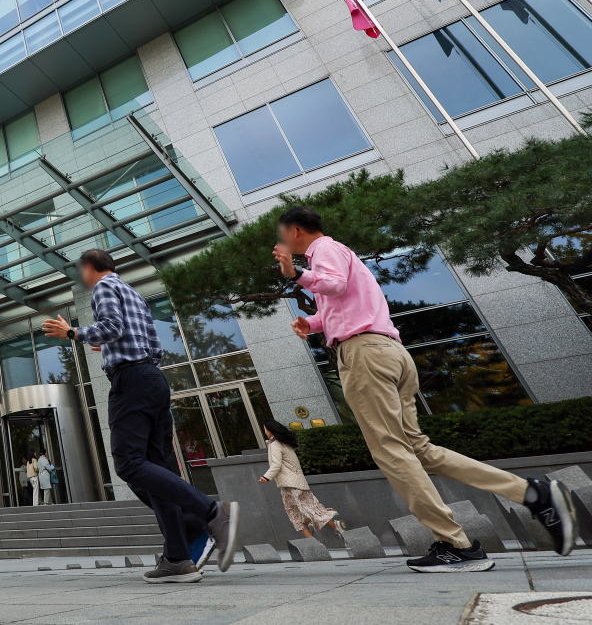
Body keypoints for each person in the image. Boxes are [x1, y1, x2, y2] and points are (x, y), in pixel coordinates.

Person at [274, 205, 577, 572]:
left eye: (282, 233)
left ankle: (457, 544)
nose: (281, 240)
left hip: (365, 356)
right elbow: (344, 301)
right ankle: (534, 493)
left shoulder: (322, 251)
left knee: (391, 451)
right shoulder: (342, 254)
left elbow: (333, 285)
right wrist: (313, 322)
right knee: (419, 450)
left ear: (295, 231)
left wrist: (296, 274)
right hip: (389, 352)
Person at [42, 249, 239, 584]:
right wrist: (108, 346)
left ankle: (211, 511)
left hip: (131, 381)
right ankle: (177, 558)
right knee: (157, 470)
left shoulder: (103, 288)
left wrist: (73, 333)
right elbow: (149, 345)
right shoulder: (132, 292)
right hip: (152, 379)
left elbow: (112, 327)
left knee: (129, 463)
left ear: (90, 268)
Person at [258, 419, 345, 539]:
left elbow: (276, 464)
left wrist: (266, 477)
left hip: (290, 485)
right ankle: (329, 531)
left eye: (266, 430)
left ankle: (331, 529)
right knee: (309, 509)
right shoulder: (285, 443)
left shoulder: (275, 444)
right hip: (298, 483)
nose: (265, 432)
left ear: (271, 431)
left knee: (296, 514)